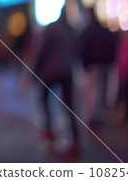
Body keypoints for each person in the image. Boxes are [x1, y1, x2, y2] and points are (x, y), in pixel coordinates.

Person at [34, 10, 79, 156]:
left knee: (44, 99)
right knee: (69, 104)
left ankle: (49, 128)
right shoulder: (71, 30)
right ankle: (75, 136)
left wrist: (35, 72)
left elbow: (43, 51)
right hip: (67, 71)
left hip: (52, 71)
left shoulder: (52, 28)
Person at [78, 8, 117, 125]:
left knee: (92, 92)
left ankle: (93, 116)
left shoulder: (87, 32)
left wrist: (86, 65)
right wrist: (110, 62)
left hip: (93, 67)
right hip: (104, 65)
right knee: (101, 92)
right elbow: (112, 46)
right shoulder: (104, 31)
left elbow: (82, 50)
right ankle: (99, 115)